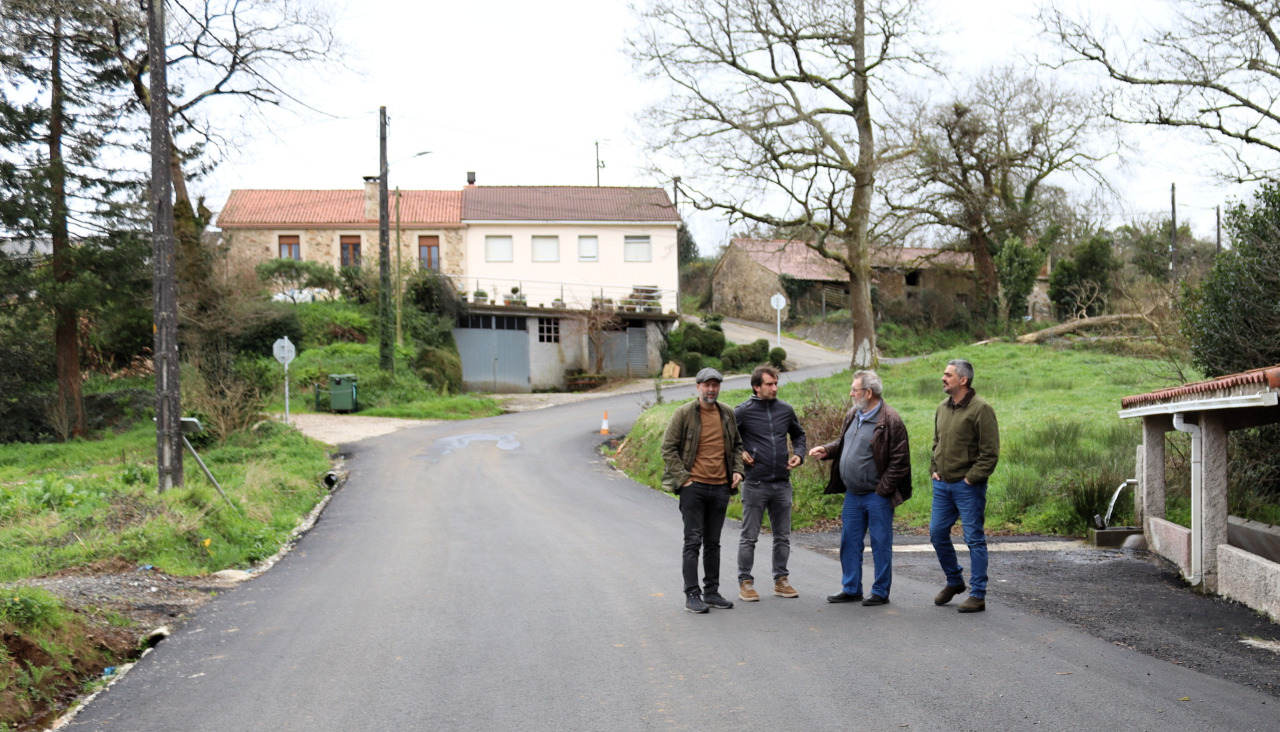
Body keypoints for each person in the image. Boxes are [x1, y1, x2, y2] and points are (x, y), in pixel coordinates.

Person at [809, 370, 912, 607]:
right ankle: (852, 588)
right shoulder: (855, 414)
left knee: (880, 543)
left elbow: (900, 462)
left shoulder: (891, 420)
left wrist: (882, 491)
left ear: (868, 392)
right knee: (849, 542)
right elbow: (845, 443)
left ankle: (880, 591)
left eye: (854, 389)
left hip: (876, 496)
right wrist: (827, 449)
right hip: (852, 494)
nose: (851, 393)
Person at [661, 367, 745, 614]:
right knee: (693, 542)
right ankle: (692, 594)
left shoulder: (727, 413)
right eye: (706, 385)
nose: (711, 389)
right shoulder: (684, 413)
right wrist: (684, 478)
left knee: (713, 543)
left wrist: (738, 470)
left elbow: (738, 445)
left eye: (715, 385)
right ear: (697, 387)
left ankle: (711, 592)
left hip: (720, 487)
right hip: (694, 487)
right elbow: (668, 448)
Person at [930, 358, 1000, 614]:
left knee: (974, 539)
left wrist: (971, 478)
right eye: (944, 373)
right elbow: (936, 443)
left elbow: (990, 452)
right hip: (942, 486)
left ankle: (978, 594)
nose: (943, 378)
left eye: (948, 374)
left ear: (963, 380)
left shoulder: (981, 409)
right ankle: (954, 581)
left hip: (968, 487)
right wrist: (933, 469)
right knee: (937, 534)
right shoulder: (942, 408)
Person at [734, 365, 807, 602]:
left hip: (781, 483)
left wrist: (799, 453)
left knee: (782, 536)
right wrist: (740, 454)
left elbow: (798, 435)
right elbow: (728, 440)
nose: (774, 388)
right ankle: (745, 583)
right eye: (769, 384)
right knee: (749, 537)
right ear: (757, 386)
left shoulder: (785, 410)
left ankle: (781, 581)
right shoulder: (742, 412)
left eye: (776, 383)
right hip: (755, 483)